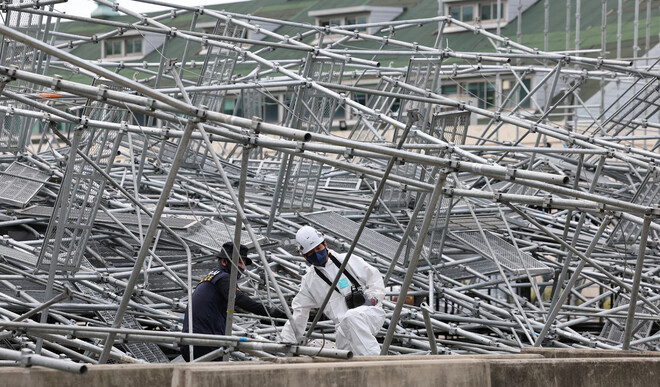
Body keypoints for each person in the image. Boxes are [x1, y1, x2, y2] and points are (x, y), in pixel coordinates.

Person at [280, 226, 386, 356]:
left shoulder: (346, 260)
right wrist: (287, 341)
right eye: (311, 253)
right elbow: (299, 312)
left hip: (369, 313)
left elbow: (374, 277)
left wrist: (372, 299)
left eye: (318, 249)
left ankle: (377, 364)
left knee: (352, 317)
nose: (317, 254)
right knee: (348, 357)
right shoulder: (310, 281)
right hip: (343, 329)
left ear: (325, 244)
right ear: (304, 256)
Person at [181, 242, 286, 361]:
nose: (243, 268)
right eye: (239, 262)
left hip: (192, 341)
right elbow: (240, 299)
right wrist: (273, 313)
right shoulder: (224, 278)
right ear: (224, 262)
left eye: (244, 264)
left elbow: (237, 304)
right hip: (203, 343)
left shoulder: (212, 278)